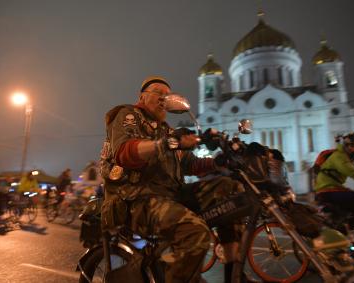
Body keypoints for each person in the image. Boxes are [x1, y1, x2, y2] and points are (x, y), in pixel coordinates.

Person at [100, 76, 255, 283]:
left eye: (168, 95)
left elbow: (191, 164)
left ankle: (234, 275)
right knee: (195, 232)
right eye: (158, 93)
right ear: (142, 97)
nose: (164, 98)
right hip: (137, 200)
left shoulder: (167, 130)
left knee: (231, 190)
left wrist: (219, 162)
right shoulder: (129, 115)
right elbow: (125, 152)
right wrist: (166, 143)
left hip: (171, 196)